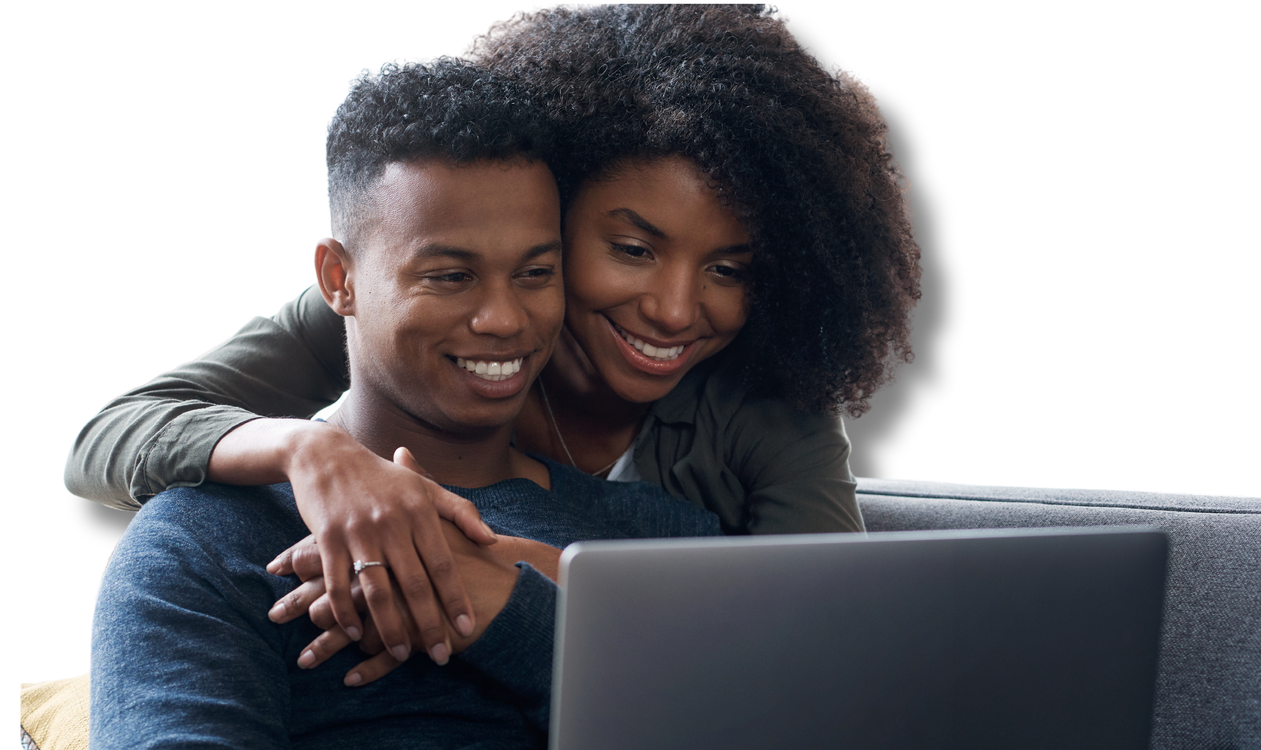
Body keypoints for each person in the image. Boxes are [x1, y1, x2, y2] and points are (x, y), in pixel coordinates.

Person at [89, 56, 721, 750]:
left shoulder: (663, 538)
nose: (505, 319)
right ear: (338, 278)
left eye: (535, 272)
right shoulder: (201, 544)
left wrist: (509, 611)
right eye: (451, 277)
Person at [64, 2, 922, 676]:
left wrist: (520, 575)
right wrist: (313, 454)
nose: (672, 307)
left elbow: (825, 653)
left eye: (729, 269)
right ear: (549, 213)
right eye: (631, 248)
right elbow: (102, 438)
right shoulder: (414, 312)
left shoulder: (773, 411)